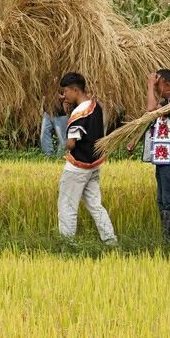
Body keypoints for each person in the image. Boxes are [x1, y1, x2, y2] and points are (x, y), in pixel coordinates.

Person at [57, 73, 118, 246]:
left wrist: (66, 139)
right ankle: (110, 240)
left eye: (66, 91)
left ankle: (67, 243)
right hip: (94, 164)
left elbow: (71, 144)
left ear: (75, 90)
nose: (64, 95)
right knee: (95, 204)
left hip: (77, 167)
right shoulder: (95, 105)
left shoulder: (80, 113)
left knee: (67, 205)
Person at [144, 69, 170, 245]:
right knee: (162, 201)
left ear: (168, 85)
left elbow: (151, 109)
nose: (154, 85)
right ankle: (168, 238)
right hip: (163, 160)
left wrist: (149, 87)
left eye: (158, 83)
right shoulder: (168, 102)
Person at [40, 94, 69, 159]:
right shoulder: (49, 84)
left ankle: (60, 157)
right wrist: (42, 106)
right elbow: (45, 94)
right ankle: (48, 156)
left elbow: (68, 94)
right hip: (47, 112)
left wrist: (56, 95)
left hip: (61, 113)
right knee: (44, 134)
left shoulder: (63, 84)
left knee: (62, 137)